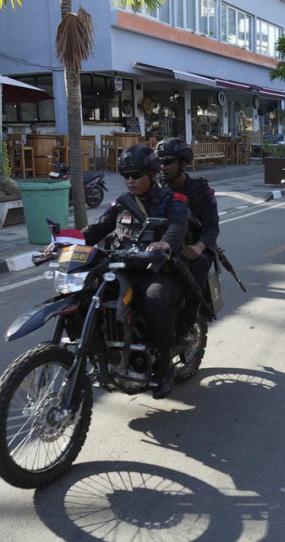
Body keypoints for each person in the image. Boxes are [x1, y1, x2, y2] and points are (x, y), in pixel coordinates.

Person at [81, 144, 189, 399]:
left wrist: (165, 243)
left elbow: (177, 227)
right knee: (87, 294)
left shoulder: (173, 200)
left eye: (136, 174)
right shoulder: (121, 203)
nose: (130, 180)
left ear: (151, 174)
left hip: (156, 272)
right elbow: (97, 229)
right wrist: (67, 241)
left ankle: (164, 366)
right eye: (126, 175)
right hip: (121, 269)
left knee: (155, 300)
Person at [156, 137, 220, 347]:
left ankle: (187, 323)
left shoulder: (201, 190)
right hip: (164, 247)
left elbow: (211, 228)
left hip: (195, 246)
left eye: (168, 162)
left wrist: (199, 246)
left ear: (183, 163)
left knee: (198, 265)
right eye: (160, 162)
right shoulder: (156, 191)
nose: (163, 167)